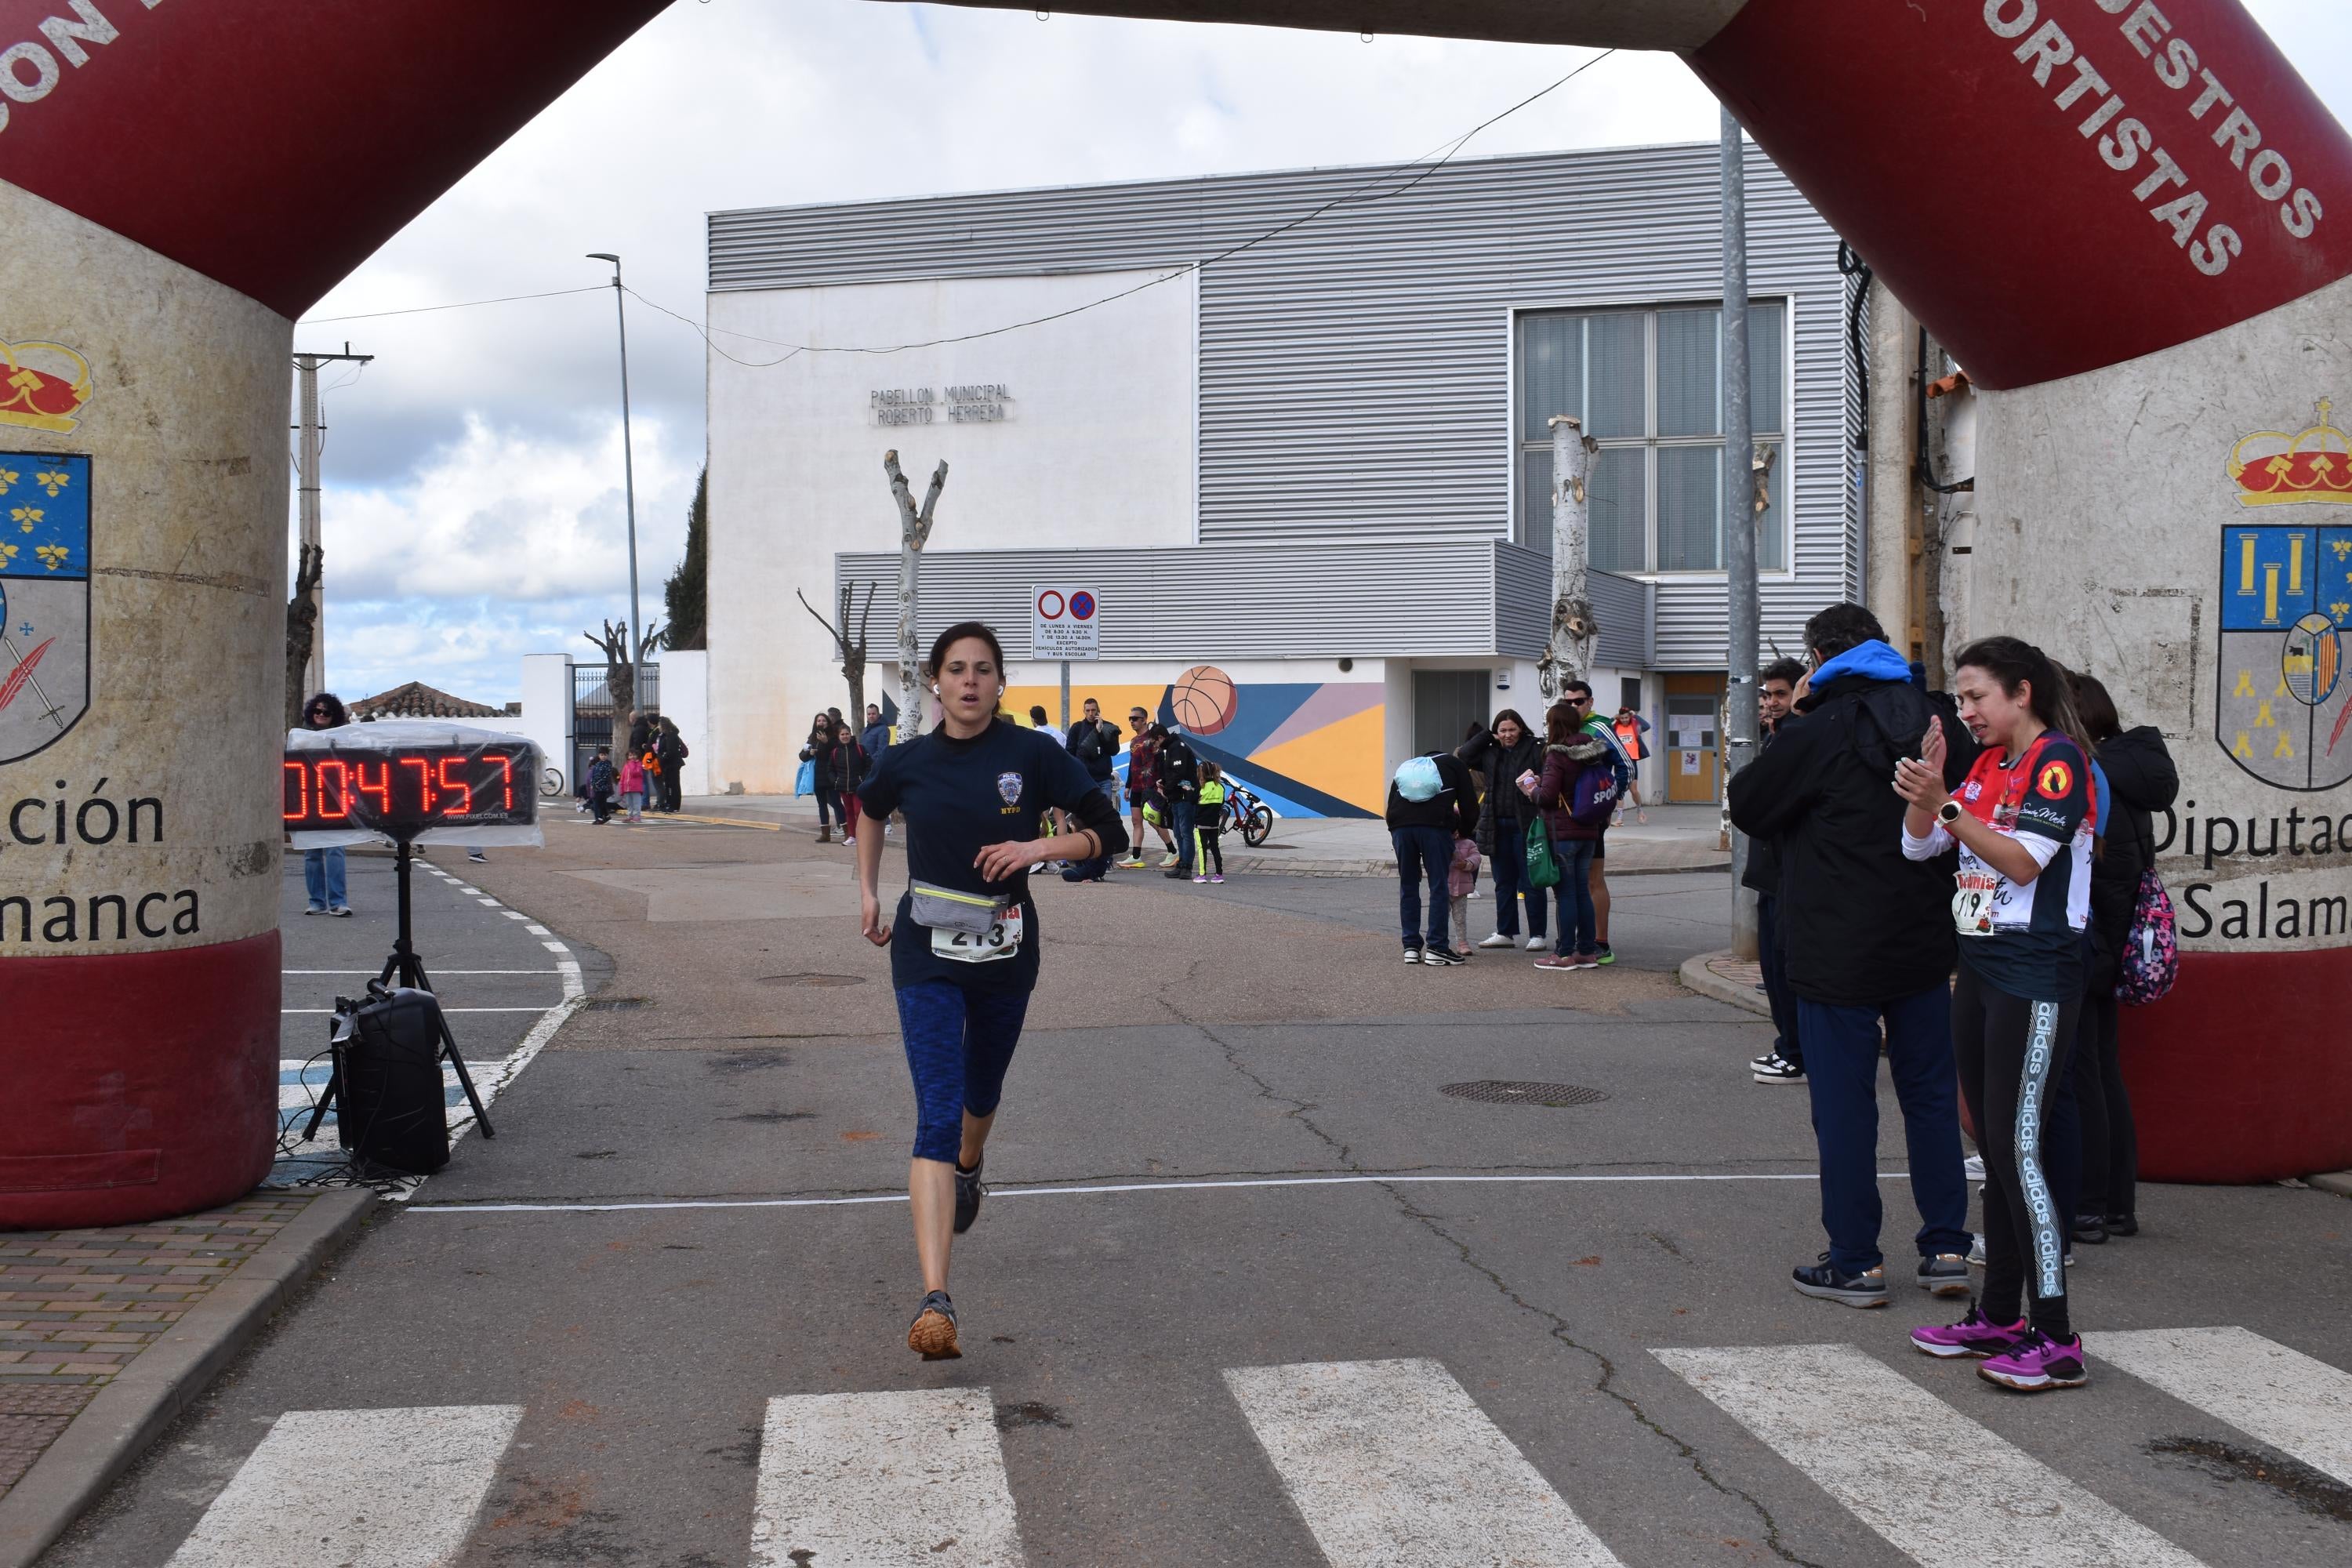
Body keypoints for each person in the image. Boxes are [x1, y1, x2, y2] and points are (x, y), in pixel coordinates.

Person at [855, 621, 1127, 1359]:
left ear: (1000, 682)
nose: (969, 681)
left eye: (982, 670)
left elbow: (1111, 832)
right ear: (933, 683)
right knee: (937, 1111)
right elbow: (870, 809)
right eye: (955, 669)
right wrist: (870, 892)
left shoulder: (1032, 755)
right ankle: (935, 1299)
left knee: (980, 1094)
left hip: (1007, 954)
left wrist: (1039, 845)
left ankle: (971, 1169)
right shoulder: (905, 761)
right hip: (927, 955)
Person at [1726, 601, 1975, 1310]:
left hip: (1834, 945)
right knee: (1929, 1097)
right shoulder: (1939, 721)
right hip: (1924, 939)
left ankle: (1857, 1261)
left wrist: (1797, 720)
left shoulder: (1821, 727)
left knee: (1845, 1106)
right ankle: (1947, 1248)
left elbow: (1750, 804)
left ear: (1819, 661)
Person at [1896, 636, 2100, 1392]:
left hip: (2037, 970)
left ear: (2023, 693)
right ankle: (2001, 1315)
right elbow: (1921, 852)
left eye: (1978, 695)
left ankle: (2057, 1337)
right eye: (1960, 697)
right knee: (1992, 1143)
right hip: (1978, 964)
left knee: (2021, 1150)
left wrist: (1945, 804)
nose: (1966, 709)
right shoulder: (1985, 765)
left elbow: (2022, 862)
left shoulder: (2059, 761)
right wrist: (1928, 801)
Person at [2064, 672, 2174, 1243]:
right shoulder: (2129, 767)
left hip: (2093, 945)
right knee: (2103, 1072)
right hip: (2116, 941)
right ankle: (2115, 1205)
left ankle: (2088, 1206)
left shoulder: (2090, 774)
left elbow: (2100, 877)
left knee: (2084, 1074)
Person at [1746, 658, 1809, 1084]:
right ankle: (1788, 1045)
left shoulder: (1799, 740)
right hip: (1769, 874)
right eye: (1767, 695)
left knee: (1787, 971)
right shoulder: (1775, 738)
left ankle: (1794, 1052)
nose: (1772, 703)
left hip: (1790, 876)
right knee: (1773, 969)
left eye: (1781, 694)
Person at [1456, 710, 1548, 953]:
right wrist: (1488, 734)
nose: (1508, 735)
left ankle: (1538, 934)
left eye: (1512, 729)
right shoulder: (1490, 751)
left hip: (1526, 825)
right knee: (1503, 882)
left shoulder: (1535, 748)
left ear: (1521, 729)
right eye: (1503, 730)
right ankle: (1505, 931)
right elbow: (1464, 755)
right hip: (1497, 824)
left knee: (1531, 882)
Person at [1533, 699, 1613, 970]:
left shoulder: (1558, 754)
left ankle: (1564, 953)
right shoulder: (1592, 751)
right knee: (1581, 891)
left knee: (1565, 894)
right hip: (1589, 830)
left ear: (1554, 725)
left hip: (1563, 832)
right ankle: (1587, 951)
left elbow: (1547, 797)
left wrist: (1531, 789)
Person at [1385, 745, 1479, 964]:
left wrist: (1396, 831)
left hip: (1400, 827)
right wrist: (1462, 832)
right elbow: (1470, 807)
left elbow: (1390, 804)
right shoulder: (1456, 765)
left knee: (1408, 884)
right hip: (1435, 828)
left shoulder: (1408, 766)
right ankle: (1437, 947)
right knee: (1438, 885)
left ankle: (1410, 947)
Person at [1562, 681, 1634, 964]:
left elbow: (1626, 765)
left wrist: (1609, 799)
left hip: (1591, 817)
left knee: (1593, 879)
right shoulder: (1561, 728)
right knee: (1569, 883)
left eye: (1578, 702)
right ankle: (1575, 943)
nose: (1573, 707)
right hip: (1564, 817)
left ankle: (1600, 942)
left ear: (1590, 702)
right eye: (1567, 702)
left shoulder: (1600, 727)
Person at [296, 693, 355, 916]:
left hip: (334, 800)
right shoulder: (299, 736)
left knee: (335, 850)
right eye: (317, 711)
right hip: (308, 799)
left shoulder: (342, 737)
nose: (320, 715)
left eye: (326, 712)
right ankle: (317, 901)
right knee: (312, 853)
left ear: (334, 715)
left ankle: (338, 902)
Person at [1062, 698, 1123, 882]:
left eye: (1093, 710)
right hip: (1084, 781)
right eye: (1088, 710)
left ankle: (1104, 861)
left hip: (1103, 780)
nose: (1091, 714)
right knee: (1080, 821)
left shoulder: (1108, 726)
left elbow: (1114, 750)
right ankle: (1082, 860)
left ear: (1099, 710)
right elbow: (1071, 752)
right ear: (1084, 711)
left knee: (1103, 821)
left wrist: (1103, 731)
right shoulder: (1077, 728)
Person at [1120, 710, 1171, 869]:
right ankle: (1136, 856)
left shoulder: (1152, 738)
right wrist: (1128, 785)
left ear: (1144, 720)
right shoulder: (1134, 741)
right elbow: (1131, 765)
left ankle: (1173, 851)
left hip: (1150, 786)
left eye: (1135, 719)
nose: (1132, 722)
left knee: (1153, 819)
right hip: (1136, 787)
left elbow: (1162, 760)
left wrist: (1162, 783)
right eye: (1130, 719)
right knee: (1136, 821)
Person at [1159, 723, 1203, 881]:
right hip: (1176, 797)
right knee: (1178, 832)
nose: (1156, 746)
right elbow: (1172, 773)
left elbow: (1180, 773)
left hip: (1185, 796)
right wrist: (1164, 781)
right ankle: (1181, 863)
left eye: (1156, 742)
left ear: (1160, 738)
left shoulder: (1178, 748)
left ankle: (1187, 868)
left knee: (1185, 832)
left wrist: (1166, 788)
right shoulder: (1171, 748)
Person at [800, 713, 845, 843]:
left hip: (831, 774)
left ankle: (848, 832)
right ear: (815, 723)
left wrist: (827, 742)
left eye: (823, 720)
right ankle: (825, 834)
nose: (821, 722)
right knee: (821, 804)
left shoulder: (834, 736)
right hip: (817, 775)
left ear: (828, 722)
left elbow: (839, 751)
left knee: (836, 803)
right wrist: (809, 753)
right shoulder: (812, 738)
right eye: (818, 720)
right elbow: (802, 755)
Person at [1194, 761, 1229, 884]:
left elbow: (1192, 801)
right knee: (1215, 848)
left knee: (1202, 849)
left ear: (1201, 773)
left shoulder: (1200, 788)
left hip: (1200, 824)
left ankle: (1202, 875)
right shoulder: (1221, 788)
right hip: (1214, 824)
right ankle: (1219, 874)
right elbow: (1222, 803)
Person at [1447, 831, 1481, 955]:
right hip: (1443, 888)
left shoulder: (1469, 843)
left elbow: (1476, 857)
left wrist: (1468, 864)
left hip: (1461, 890)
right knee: (1440, 917)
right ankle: (1440, 941)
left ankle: (1462, 943)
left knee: (1460, 919)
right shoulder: (1442, 840)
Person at [835, 717, 867, 846]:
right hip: (843, 786)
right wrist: (836, 781)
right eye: (842, 734)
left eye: (847, 734)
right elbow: (830, 769)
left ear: (851, 734)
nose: (845, 736)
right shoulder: (835, 752)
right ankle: (852, 836)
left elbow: (868, 765)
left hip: (858, 786)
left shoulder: (860, 749)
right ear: (839, 736)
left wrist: (863, 778)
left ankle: (862, 836)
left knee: (858, 811)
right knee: (848, 811)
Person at [656, 717, 687, 813]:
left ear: (663, 725)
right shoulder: (664, 736)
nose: (658, 727)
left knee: (674, 785)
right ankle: (669, 803)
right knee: (668, 785)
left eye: (659, 725)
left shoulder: (671, 736)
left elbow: (671, 752)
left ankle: (674, 805)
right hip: (667, 764)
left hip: (672, 764)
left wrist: (662, 757)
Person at [586, 745, 617, 825]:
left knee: (598, 803)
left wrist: (597, 783)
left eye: (605, 755)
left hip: (603, 787)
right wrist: (593, 784)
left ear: (607, 755)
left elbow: (605, 776)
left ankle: (599, 818)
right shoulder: (598, 764)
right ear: (599, 755)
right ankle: (606, 816)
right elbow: (594, 776)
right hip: (597, 787)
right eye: (601, 755)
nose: (603, 757)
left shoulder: (608, 764)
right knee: (601, 803)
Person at [618, 750, 648, 823]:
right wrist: (621, 788)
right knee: (629, 803)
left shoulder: (639, 764)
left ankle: (637, 816)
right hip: (627, 788)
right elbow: (623, 777)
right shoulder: (626, 765)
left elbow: (635, 773)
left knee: (636, 803)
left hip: (636, 788)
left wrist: (632, 763)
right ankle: (630, 816)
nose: (632, 757)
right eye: (630, 755)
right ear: (628, 757)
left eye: (634, 755)